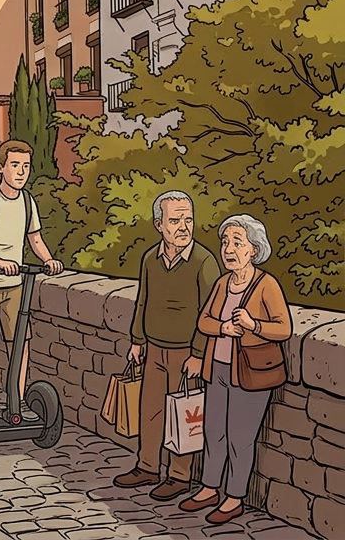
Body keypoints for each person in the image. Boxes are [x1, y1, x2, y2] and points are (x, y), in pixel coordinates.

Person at [180, 214, 290, 526]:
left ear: (253, 249)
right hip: (218, 368)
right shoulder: (222, 283)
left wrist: (253, 325)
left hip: (251, 374)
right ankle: (209, 488)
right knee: (213, 432)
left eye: (237, 243)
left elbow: (283, 328)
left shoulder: (266, 285)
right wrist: (225, 327)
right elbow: (204, 322)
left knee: (239, 439)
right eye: (225, 242)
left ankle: (234, 497)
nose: (228, 248)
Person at [115, 190, 220, 501]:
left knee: (182, 415)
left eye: (188, 219)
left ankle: (179, 475)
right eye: (175, 220)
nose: (184, 226)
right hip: (153, 350)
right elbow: (142, 301)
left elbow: (210, 311)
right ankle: (147, 466)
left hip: (186, 353)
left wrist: (199, 355)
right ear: (159, 224)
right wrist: (137, 340)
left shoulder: (203, 261)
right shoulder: (150, 259)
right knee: (150, 410)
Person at [0, 140, 64, 426]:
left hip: (16, 284)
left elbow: (34, 238)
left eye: (25, 166)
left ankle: (17, 400)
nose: (21, 172)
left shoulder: (27, 201)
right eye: (14, 165)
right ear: (1, 168)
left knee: (20, 344)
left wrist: (48, 259)